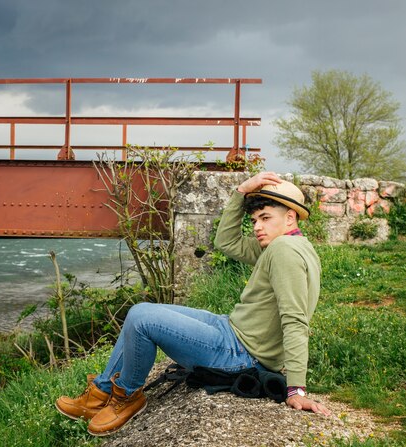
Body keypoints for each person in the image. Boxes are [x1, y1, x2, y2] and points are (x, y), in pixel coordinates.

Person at [55, 172, 331, 437]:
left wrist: (296, 389)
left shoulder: (284, 251)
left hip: (240, 352)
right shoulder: (284, 245)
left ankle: (126, 395)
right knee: (143, 312)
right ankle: (100, 394)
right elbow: (227, 241)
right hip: (230, 329)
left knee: (141, 317)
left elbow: (295, 320)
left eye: (266, 218)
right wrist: (240, 193)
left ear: (291, 216)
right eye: (255, 219)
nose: (257, 226)